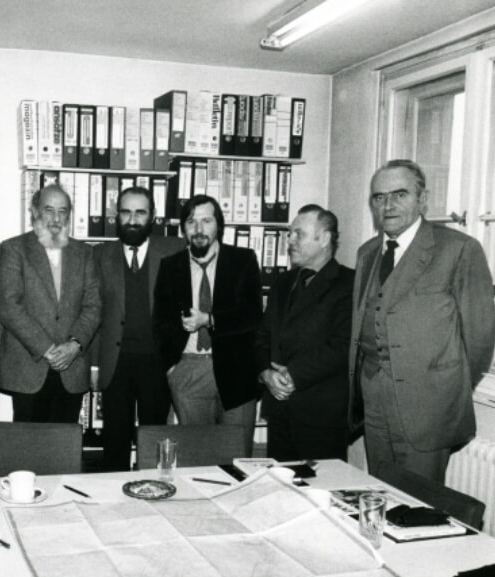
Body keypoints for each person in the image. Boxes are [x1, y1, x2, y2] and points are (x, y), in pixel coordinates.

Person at [350, 159, 495, 483]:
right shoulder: (367, 253)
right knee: (380, 491)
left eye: (399, 194)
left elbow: (479, 338)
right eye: (379, 197)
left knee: (418, 501)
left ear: (423, 199)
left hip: (428, 407)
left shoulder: (459, 249)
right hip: (374, 400)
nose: (388, 205)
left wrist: (447, 390)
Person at [154, 195, 263, 455]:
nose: (199, 229)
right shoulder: (170, 266)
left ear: (219, 225)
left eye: (206, 221)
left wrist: (210, 320)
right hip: (188, 371)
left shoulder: (243, 260)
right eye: (191, 222)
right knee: (197, 456)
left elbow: (252, 316)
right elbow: (160, 322)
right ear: (183, 229)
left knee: (236, 456)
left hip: (237, 371)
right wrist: (172, 370)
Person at [92, 186, 185, 471]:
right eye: (126, 212)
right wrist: (94, 365)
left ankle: (154, 491)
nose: (132, 220)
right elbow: (93, 311)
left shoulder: (174, 250)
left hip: (157, 363)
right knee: (114, 442)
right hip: (115, 363)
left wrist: (176, 359)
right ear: (116, 215)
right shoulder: (99, 254)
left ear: (153, 216)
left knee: (154, 440)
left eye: (140, 213)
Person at [255, 204, 353, 461]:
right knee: (281, 483)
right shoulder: (283, 282)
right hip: (279, 411)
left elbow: (343, 346)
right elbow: (263, 337)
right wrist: (265, 373)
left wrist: (293, 375)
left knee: (320, 485)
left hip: (321, 417)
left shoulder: (348, 284)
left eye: (299, 234)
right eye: (290, 233)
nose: (290, 240)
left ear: (325, 239)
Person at [0, 184, 101, 423]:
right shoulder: (14, 249)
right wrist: (48, 349)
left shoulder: (85, 253)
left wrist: (75, 345)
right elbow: (9, 307)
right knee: (29, 444)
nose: (56, 219)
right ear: (34, 211)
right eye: (49, 210)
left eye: (62, 211)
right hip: (28, 370)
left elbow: (94, 306)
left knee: (66, 443)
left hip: (72, 368)